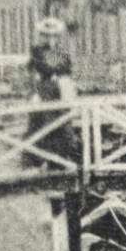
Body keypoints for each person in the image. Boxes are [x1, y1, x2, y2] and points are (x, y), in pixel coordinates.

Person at [27, 17, 78, 166]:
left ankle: (63, 158)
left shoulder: (63, 53)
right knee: (44, 122)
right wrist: (34, 93)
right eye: (47, 35)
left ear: (58, 36)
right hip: (44, 88)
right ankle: (43, 159)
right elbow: (33, 73)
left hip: (61, 89)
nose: (50, 38)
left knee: (63, 122)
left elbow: (68, 71)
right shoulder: (37, 51)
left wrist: (69, 87)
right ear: (42, 36)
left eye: (54, 35)